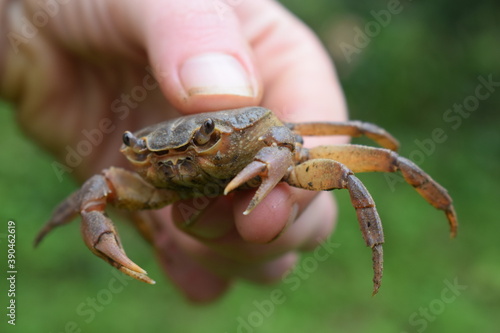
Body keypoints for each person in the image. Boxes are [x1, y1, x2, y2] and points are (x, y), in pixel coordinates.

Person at [1, 0, 348, 302]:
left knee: (346, 171)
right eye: (145, 153)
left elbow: (287, 138)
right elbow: (94, 197)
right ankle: (147, 244)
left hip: (250, 154)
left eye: (205, 141)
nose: (179, 163)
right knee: (95, 189)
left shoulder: (263, 131)